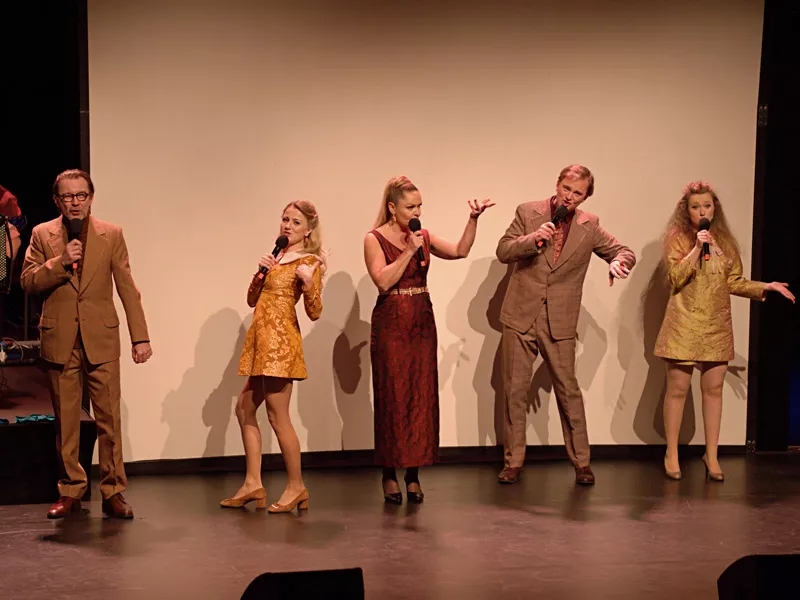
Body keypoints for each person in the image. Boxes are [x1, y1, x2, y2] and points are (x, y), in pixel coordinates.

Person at [21, 169, 152, 519]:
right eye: (68, 196)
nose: (75, 203)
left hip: (101, 338)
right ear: (57, 201)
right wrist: (60, 262)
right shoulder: (42, 234)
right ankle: (71, 490)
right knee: (67, 422)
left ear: (91, 197)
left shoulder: (111, 234)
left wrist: (140, 337)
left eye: (81, 195)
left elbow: (127, 287)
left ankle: (113, 491)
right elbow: (28, 281)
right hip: (60, 340)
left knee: (109, 420)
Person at [496, 164, 636, 486]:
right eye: (566, 189)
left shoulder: (590, 225)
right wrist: (533, 239)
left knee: (568, 391)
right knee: (515, 391)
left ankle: (582, 463)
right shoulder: (528, 212)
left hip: (559, 321)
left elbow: (624, 251)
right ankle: (513, 462)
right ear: (557, 185)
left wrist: (618, 262)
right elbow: (503, 250)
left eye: (578, 193)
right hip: (520, 316)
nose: (570, 197)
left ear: (586, 196)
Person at [364, 176, 494, 503]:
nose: (417, 212)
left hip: (421, 319)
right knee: (393, 395)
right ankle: (389, 473)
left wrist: (473, 219)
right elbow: (382, 281)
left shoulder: (422, 235)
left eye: (420, 206)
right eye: (411, 207)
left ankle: (413, 474)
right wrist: (408, 252)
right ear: (392, 208)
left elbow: (460, 251)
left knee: (419, 395)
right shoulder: (374, 239)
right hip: (392, 320)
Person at [655, 181, 794, 481]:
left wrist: (765, 286)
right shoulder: (677, 239)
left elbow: (734, 282)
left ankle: (712, 455)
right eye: (695, 207)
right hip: (683, 322)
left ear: (714, 208)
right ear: (686, 211)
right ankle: (671, 453)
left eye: (707, 205)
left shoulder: (726, 242)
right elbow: (675, 278)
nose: (702, 211)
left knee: (713, 390)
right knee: (677, 390)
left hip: (716, 325)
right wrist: (696, 248)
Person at [221, 200, 324, 513]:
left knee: (278, 417)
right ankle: (253, 483)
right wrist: (260, 272)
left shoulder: (309, 261)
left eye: (295, 222)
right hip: (261, 343)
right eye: (285, 219)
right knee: (243, 408)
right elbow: (252, 300)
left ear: (308, 231)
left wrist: (309, 283)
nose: (287, 226)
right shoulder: (276, 257)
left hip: (281, 345)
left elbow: (315, 311)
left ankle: (297, 486)